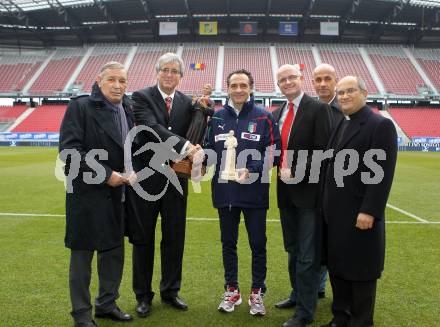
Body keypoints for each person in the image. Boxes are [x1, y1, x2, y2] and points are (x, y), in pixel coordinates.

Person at [59, 61, 134, 327]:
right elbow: (69, 152)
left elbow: (130, 147)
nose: (117, 85)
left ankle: (106, 304)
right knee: (82, 256)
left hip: (119, 194)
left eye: (122, 81)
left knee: (113, 253)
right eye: (112, 80)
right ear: (99, 81)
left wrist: (132, 169)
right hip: (87, 196)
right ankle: (81, 314)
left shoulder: (127, 107)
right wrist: (106, 175)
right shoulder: (80, 106)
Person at [127, 52, 201, 317]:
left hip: (177, 180)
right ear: (157, 72)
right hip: (146, 178)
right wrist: (185, 146)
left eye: (175, 71)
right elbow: (151, 127)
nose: (169, 75)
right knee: (143, 237)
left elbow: (198, 127)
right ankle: (143, 296)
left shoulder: (188, 102)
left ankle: (171, 292)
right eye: (165, 70)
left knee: (174, 237)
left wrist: (205, 113)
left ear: (181, 76)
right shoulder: (141, 96)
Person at [320, 76, 397, 327]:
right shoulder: (342, 123)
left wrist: (370, 211)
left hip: (360, 214)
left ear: (364, 93)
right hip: (336, 214)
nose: (344, 96)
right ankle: (340, 318)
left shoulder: (379, 125)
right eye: (340, 92)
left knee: (361, 272)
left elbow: (382, 173)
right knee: (339, 268)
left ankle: (361, 321)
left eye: (350, 91)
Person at [205, 69, 280, 316]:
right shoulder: (216, 118)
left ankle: (257, 292)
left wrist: (252, 169)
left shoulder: (264, 117)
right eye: (234, 85)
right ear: (227, 88)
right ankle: (232, 290)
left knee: (258, 244)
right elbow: (209, 149)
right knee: (229, 243)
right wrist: (199, 157)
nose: (238, 89)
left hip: (254, 193)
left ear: (251, 87)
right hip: (225, 193)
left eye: (243, 85)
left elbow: (274, 151)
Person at [272, 64, 331, 327]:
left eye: (291, 78)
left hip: (308, 194)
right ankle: (297, 295)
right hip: (285, 193)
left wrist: (297, 173)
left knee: (308, 255)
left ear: (301, 79)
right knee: (293, 249)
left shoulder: (318, 109)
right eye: (282, 80)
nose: (287, 82)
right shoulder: (278, 112)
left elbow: (323, 151)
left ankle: (306, 312)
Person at [312, 63, 344, 299]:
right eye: (318, 80)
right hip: (312, 187)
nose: (322, 84)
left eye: (327, 79)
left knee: (338, 241)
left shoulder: (346, 109)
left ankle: (342, 293)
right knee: (315, 239)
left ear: (336, 81)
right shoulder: (309, 109)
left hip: (340, 188)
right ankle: (317, 287)